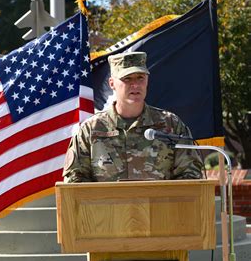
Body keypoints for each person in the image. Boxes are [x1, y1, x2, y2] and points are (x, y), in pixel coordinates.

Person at [63, 51, 204, 182]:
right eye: (127, 79)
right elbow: (74, 180)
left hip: (159, 208)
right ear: (112, 83)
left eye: (140, 78)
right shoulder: (91, 129)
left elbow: (191, 175)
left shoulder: (170, 125)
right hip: (106, 209)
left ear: (147, 80)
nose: (135, 85)